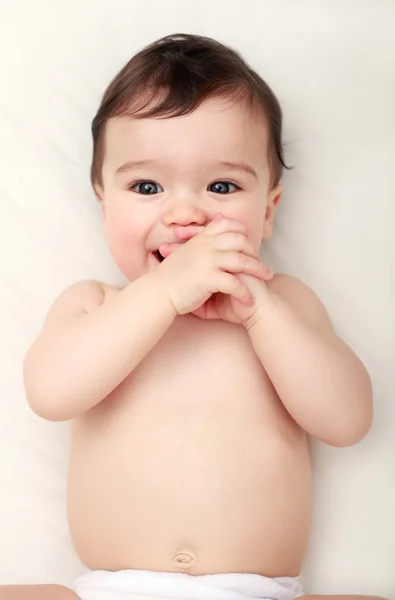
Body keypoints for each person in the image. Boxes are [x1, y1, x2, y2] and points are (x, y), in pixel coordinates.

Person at [1, 34, 386, 600]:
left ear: (268, 211)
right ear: (104, 203)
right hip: (108, 590)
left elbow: (348, 421)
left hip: (260, 591)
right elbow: (49, 392)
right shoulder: (94, 305)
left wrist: (262, 316)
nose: (186, 214)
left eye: (222, 186)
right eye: (147, 186)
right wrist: (162, 293)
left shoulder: (285, 304)